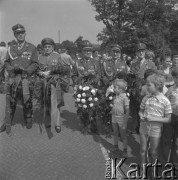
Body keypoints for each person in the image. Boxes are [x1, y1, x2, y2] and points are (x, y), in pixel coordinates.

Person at [2, 24, 38, 135]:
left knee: (27, 101)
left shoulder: (32, 47)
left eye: (22, 33)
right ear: (14, 35)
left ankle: (28, 119)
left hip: (26, 79)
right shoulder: (10, 47)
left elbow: (35, 63)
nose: (20, 35)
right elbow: (6, 62)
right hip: (13, 79)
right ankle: (7, 122)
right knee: (10, 102)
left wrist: (27, 71)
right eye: (18, 33)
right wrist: (11, 69)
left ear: (25, 33)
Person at [139, 74, 172, 177]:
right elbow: (140, 111)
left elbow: (168, 119)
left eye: (149, 85)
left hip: (155, 129)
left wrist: (154, 119)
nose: (146, 87)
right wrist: (141, 116)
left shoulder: (165, 100)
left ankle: (153, 170)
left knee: (154, 152)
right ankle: (142, 168)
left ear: (157, 85)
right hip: (144, 126)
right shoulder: (146, 97)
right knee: (142, 149)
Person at [37, 38, 71, 133]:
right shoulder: (40, 57)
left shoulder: (57, 56)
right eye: (45, 47)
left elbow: (62, 69)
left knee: (57, 104)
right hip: (43, 83)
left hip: (55, 84)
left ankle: (57, 123)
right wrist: (41, 73)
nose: (47, 48)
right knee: (46, 103)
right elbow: (36, 69)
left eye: (49, 47)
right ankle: (48, 122)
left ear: (52, 47)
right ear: (43, 48)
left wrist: (51, 72)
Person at [72, 45, 101, 133]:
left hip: (93, 87)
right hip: (81, 88)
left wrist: (94, 81)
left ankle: (93, 126)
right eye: (85, 51)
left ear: (92, 52)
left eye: (89, 51)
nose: (88, 53)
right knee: (82, 107)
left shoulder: (96, 62)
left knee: (93, 106)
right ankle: (84, 125)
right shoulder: (77, 62)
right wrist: (78, 81)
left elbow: (99, 73)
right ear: (82, 52)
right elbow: (73, 75)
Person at [129, 43, 157, 134]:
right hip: (135, 91)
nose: (141, 53)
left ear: (145, 52)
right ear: (136, 53)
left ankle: (145, 127)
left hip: (146, 92)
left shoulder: (151, 64)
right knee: (135, 110)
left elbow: (155, 78)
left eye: (142, 51)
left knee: (145, 110)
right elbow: (131, 77)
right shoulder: (133, 64)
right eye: (139, 51)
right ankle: (136, 126)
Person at [159, 68, 178, 174]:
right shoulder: (170, 89)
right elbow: (164, 103)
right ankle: (164, 163)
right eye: (176, 77)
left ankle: (175, 164)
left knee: (177, 143)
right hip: (170, 117)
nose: (177, 79)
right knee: (166, 141)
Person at [111, 78, 129, 157]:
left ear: (121, 89)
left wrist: (125, 121)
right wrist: (112, 110)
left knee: (123, 135)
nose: (114, 89)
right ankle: (115, 146)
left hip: (121, 118)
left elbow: (127, 110)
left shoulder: (125, 98)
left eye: (115, 87)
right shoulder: (115, 96)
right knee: (115, 132)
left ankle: (125, 150)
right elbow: (115, 106)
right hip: (114, 116)